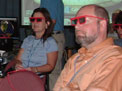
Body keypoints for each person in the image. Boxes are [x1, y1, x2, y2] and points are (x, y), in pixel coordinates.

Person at [53, 4, 122, 91]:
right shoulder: (74, 59)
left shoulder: (115, 58)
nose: (76, 26)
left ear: (102, 24)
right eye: (75, 22)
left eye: (82, 20)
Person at [14, 7, 58, 90]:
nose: (35, 22)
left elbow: (50, 66)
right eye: (33, 19)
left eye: (39, 20)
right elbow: (18, 59)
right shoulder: (28, 40)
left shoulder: (50, 42)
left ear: (47, 23)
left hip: (35, 79)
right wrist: (18, 64)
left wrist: (34, 69)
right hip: (20, 76)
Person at [40, 0, 65, 90]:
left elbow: (52, 21)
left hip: (53, 36)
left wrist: (44, 35)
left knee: (53, 72)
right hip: (54, 36)